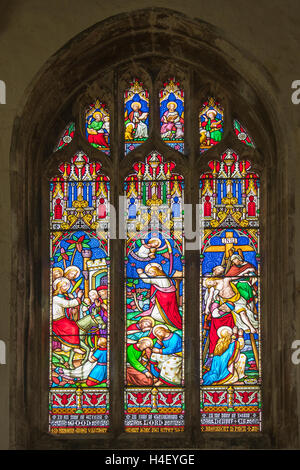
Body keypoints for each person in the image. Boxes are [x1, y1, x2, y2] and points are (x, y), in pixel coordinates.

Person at [135, 263, 182, 329]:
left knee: (159, 314)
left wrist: (141, 273)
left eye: (150, 273)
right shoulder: (165, 277)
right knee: (157, 313)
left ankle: (167, 321)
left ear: (155, 272)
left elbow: (147, 280)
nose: (149, 274)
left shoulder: (159, 278)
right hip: (166, 298)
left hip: (163, 299)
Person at [52, 277, 83, 351]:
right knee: (73, 327)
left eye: (66, 285)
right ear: (59, 287)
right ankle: (74, 347)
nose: (66, 288)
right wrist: (78, 297)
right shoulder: (56, 298)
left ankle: (73, 345)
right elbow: (68, 304)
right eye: (64, 286)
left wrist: (72, 298)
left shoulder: (63, 296)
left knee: (75, 324)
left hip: (62, 318)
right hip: (57, 320)